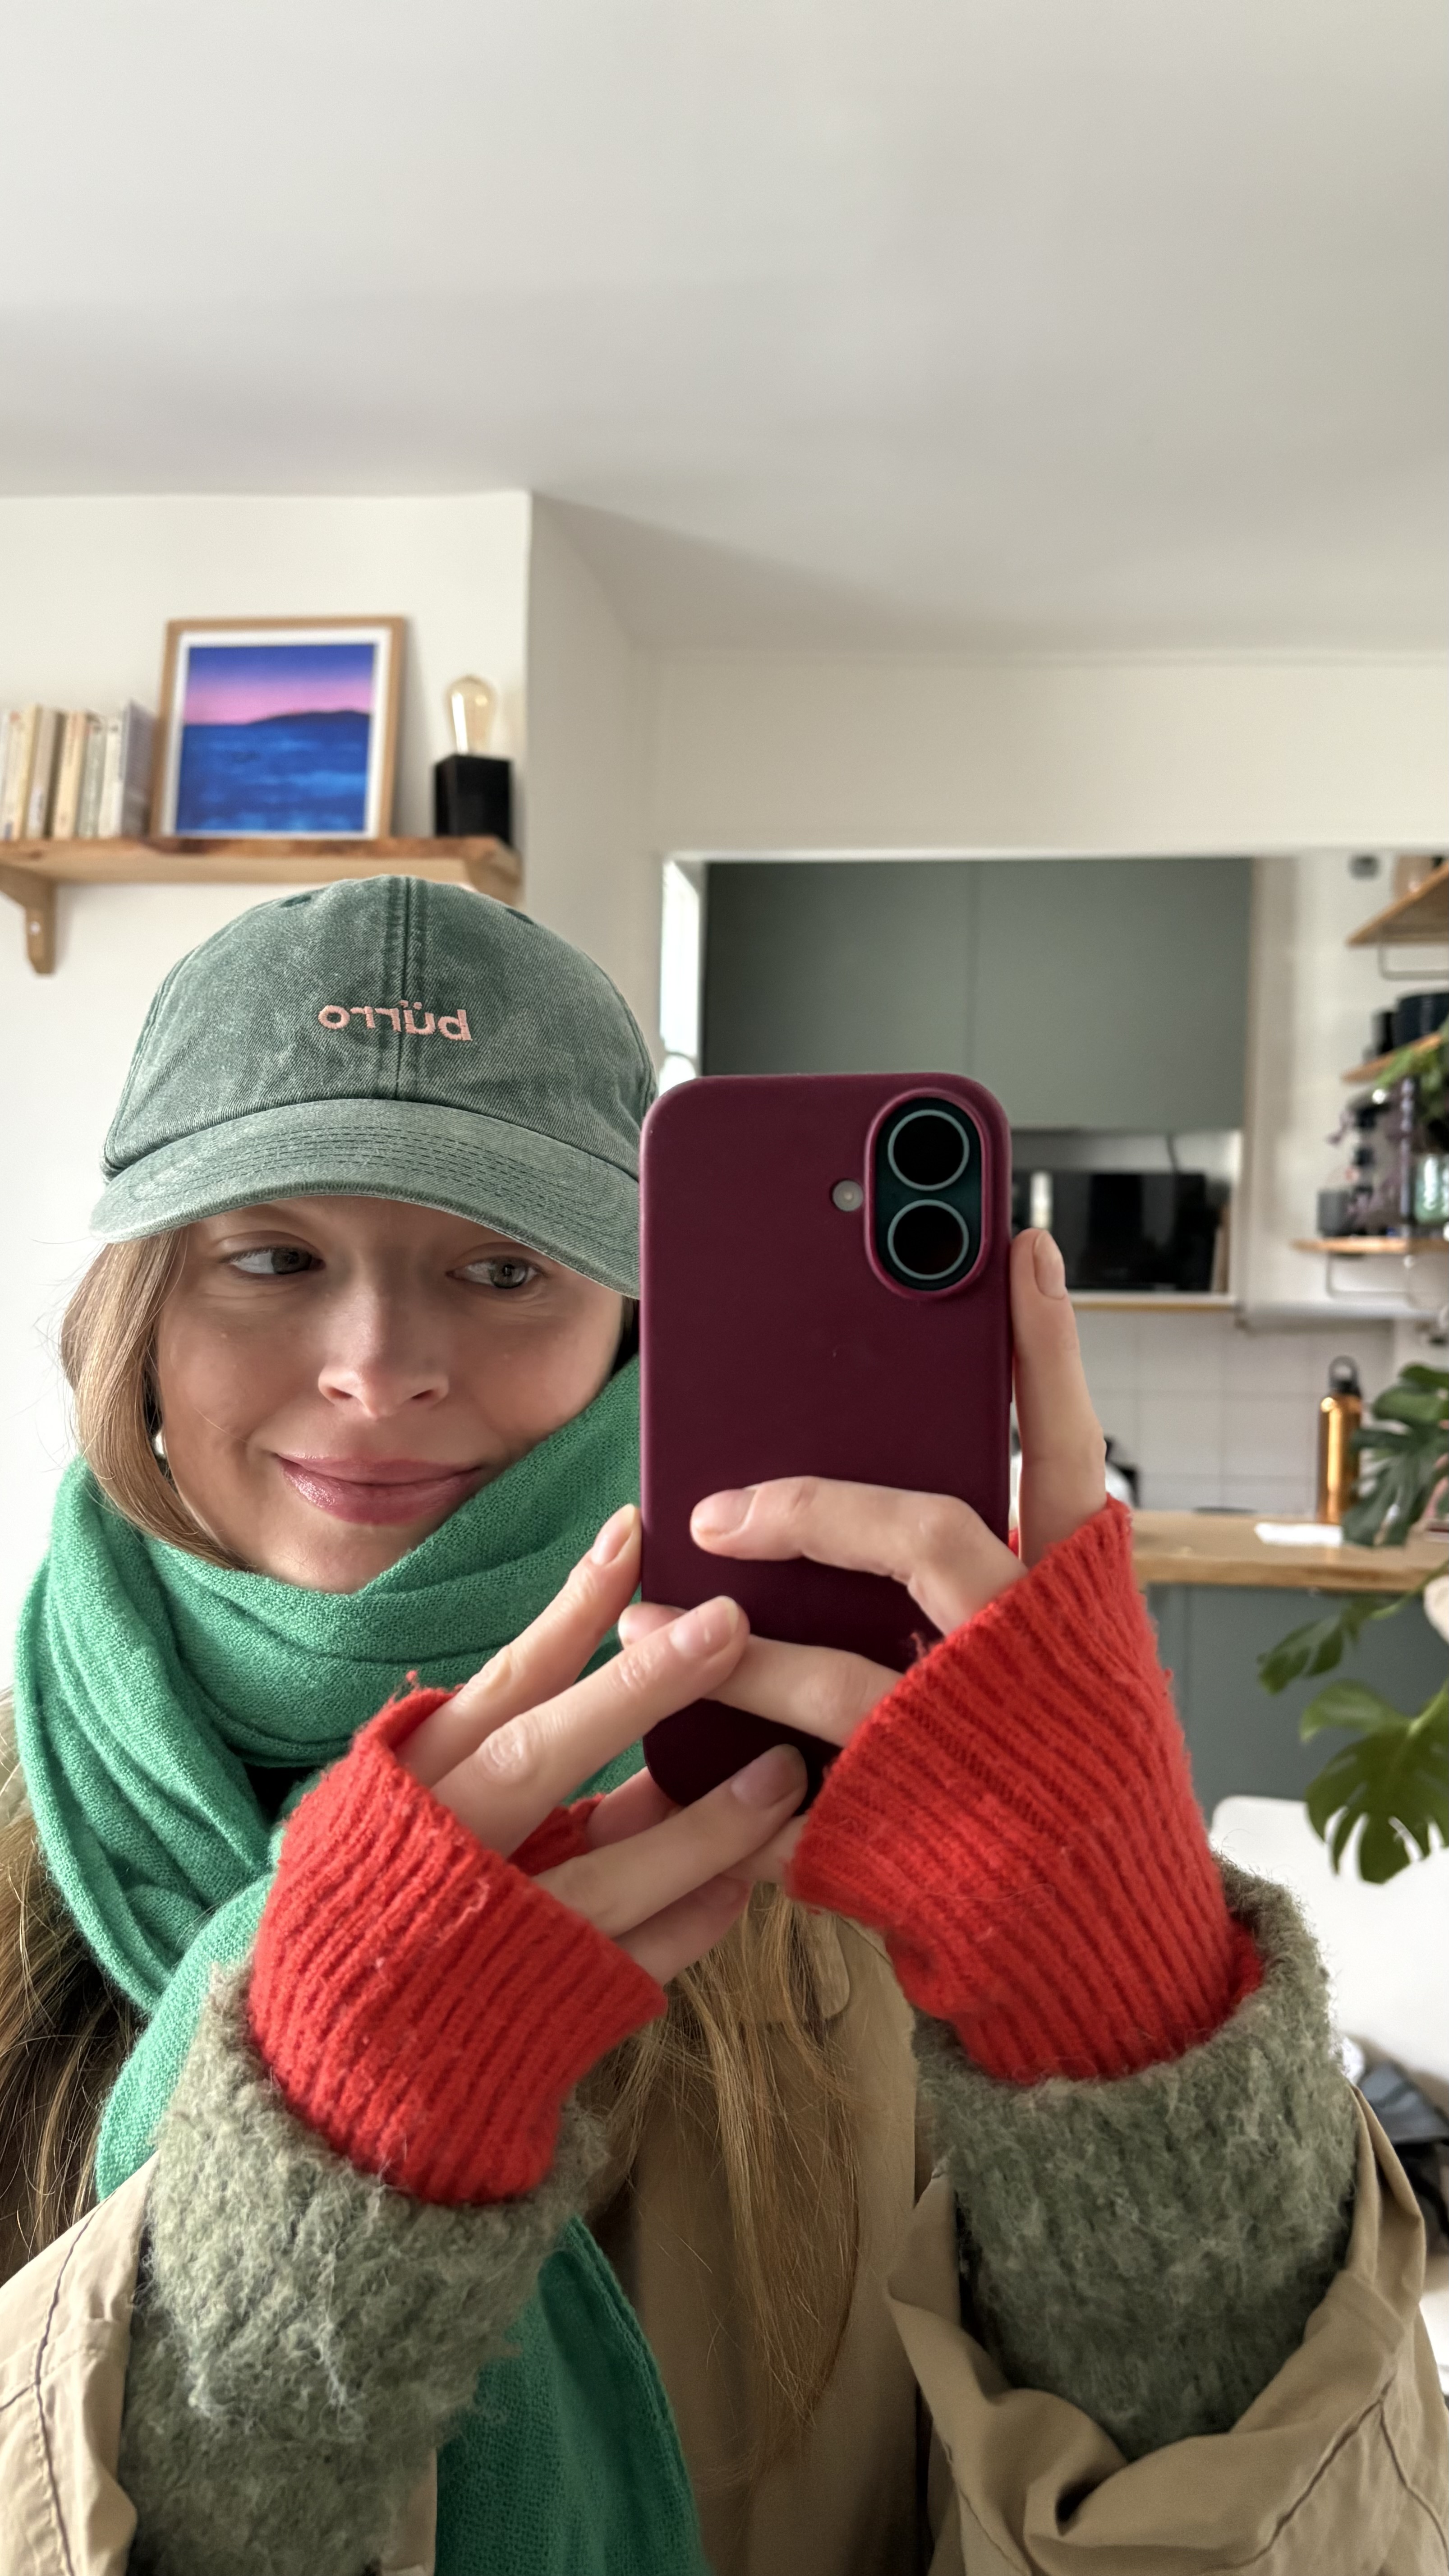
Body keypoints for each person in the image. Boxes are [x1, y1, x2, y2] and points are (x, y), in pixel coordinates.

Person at [0, 877, 1440, 2576]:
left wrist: (1137, 2042)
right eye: (270, 1257)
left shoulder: (834, 1840)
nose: (377, 1367)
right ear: (138, 1318)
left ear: (636, 1329)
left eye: (503, 1266)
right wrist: (309, 2199)